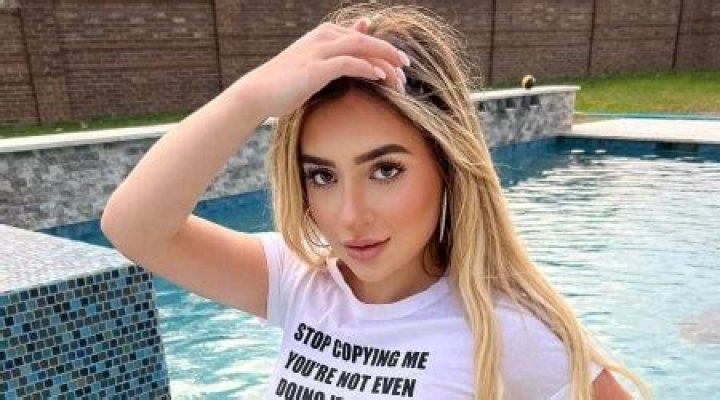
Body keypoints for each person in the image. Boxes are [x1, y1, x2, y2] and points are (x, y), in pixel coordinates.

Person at [101, 4, 652, 400]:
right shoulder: (300, 282)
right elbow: (134, 227)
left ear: (446, 164)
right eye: (322, 175)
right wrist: (252, 97)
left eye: (385, 170)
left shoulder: (510, 331)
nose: (350, 216)